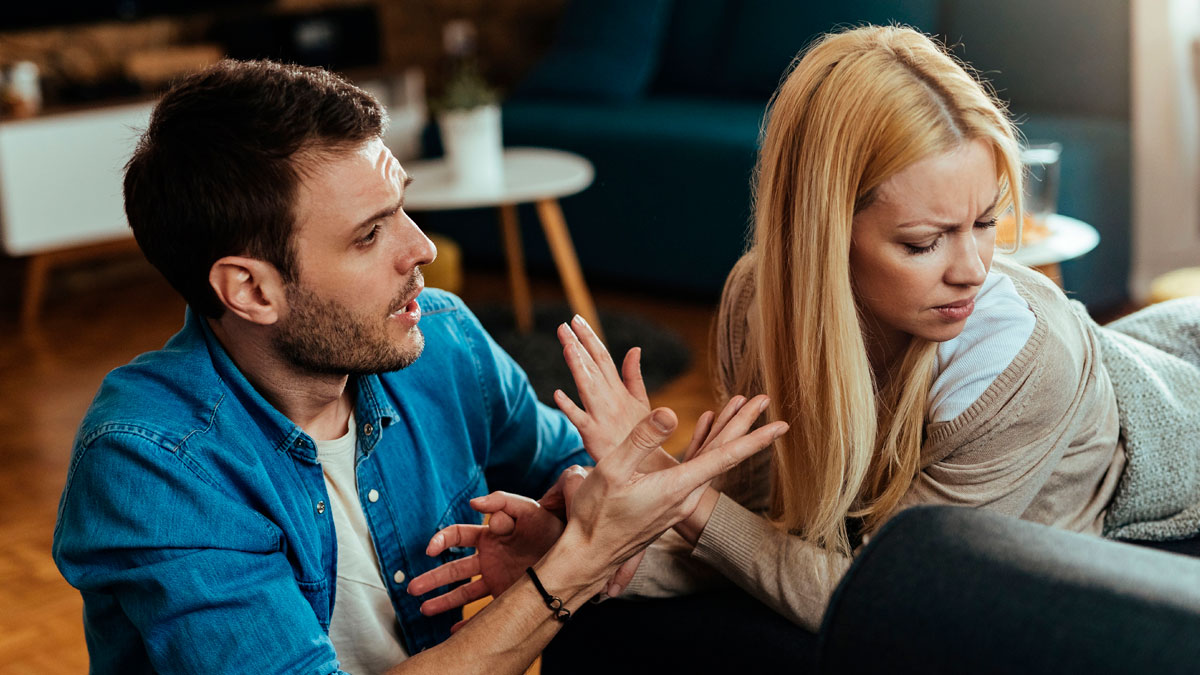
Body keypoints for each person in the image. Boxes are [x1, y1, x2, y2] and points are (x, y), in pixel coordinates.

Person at [417, 24, 1200, 640]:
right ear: (824, 235)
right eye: (925, 242)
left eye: (988, 223)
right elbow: (760, 532)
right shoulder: (759, 301)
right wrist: (568, 554)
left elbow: (885, 593)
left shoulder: (1019, 363)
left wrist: (684, 495)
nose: (971, 269)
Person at [51, 59, 789, 674]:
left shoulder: (443, 340)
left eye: (401, 207)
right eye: (369, 234)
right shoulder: (153, 463)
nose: (422, 249)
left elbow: (574, 476)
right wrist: (576, 562)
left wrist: (595, 500)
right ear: (251, 290)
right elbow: (593, 543)